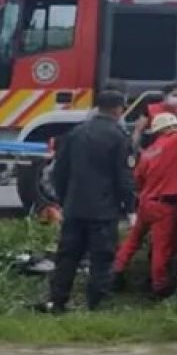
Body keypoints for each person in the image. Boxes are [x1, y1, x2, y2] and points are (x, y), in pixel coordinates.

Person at [40, 89, 133, 313]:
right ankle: (97, 306)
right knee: (101, 259)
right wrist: (129, 207)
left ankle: (58, 302)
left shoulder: (76, 133)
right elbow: (123, 177)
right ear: (118, 109)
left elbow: (59, 172)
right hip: (103, 210)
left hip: (74, 207)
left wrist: (64, 199)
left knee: (67, 257)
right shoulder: (119, 137)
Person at [113, 113, 177, 297]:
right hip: (163, 206)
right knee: (161, 248)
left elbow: (138, 179)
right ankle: (159, 287)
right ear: (172, 127)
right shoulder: (175, 141)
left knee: (133, 240)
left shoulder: (149, 151)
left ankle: (115, 270)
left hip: (145, 202)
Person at [132, 84, 177, 151]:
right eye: (175, 95)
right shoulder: (150, 109)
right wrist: (138, 151)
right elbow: (138, 131)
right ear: (165, 96)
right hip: (153, 150)